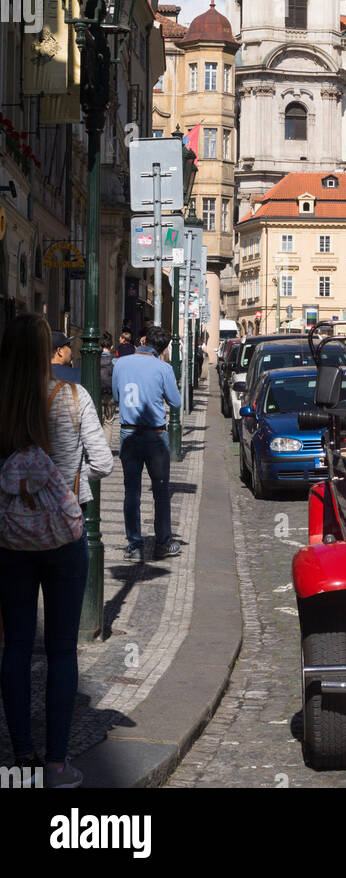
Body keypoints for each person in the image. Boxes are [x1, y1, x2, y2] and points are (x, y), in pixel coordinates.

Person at [0, 313, 113, 787]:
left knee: (17, 646)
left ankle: (20, 755)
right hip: (65, 538)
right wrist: (68, 487)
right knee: (63, 650)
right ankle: (57, 762)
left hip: (9, 539)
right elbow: (104, 463)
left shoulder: (3, 404)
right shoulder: (73, 396)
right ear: (52, 350)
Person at [112, 323, 182, 563]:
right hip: (155, 435)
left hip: (128, 434)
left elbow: (116, 396)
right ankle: (163, 543)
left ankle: (135, 545)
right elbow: (176, 402)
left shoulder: (120, 363)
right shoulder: (163, 368)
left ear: (143, 341)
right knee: (161, 492)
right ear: (163, 348)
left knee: (131, 492)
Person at [99, 332, 116, 427]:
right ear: (112, 347)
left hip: (98, 393)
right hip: (110, 394)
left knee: (98, 421)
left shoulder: (95, 359)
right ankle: (107, 442)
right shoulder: (114, 361)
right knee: (109, 422)